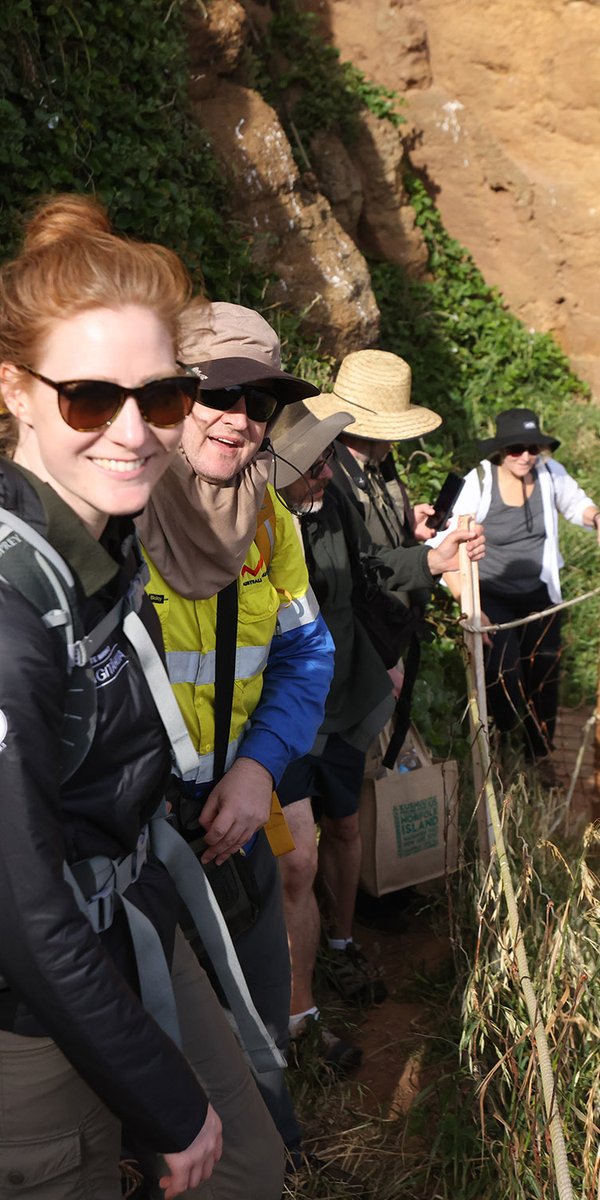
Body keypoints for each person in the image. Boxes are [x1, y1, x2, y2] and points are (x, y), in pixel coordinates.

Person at [0, 195, 283, 1200]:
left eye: (159, 397)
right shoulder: (12, 605)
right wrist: (165, 1105)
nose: (132, 431)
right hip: (30, 1016)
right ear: (16, 392)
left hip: (132, 913)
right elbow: (21, 915)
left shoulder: (104, 545)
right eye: (86, 396)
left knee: (247, 1166)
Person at [136, 301, 335, 1166]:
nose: (239, 419)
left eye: (260, 404)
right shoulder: (114, 513)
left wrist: (259, 770)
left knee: (254, 1015)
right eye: (216, 394)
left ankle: (267, 1158)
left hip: (236, 821)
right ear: (172, 397)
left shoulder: (271, 525)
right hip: (130, 841)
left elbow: (306, 654)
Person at [270, 401, 485, 1063]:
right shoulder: (256, 526)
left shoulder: (332, 506)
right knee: (295, 861)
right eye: (313, 465)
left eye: (328, 460)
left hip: (341, 696)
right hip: (278, 723)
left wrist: (431, 562)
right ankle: (298, 1012)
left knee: (345, 827)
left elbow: (367, 574)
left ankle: (339, 942)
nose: (325, 474)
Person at [437, 407, 600, 773]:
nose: (525, 456)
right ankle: (501, 746)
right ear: (500, 451)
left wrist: (596, 517)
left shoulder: (549, 474)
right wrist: (469, 603)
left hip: (539, 594)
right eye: (515, 449)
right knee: (504, 675)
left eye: (532, 448)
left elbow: (576, 503)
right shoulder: (479, 482)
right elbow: (443, 544)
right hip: (491, 595)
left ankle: (538, 757)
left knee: (544, 677)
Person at [307, 347, 443, 752]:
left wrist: (409, 528)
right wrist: (382, 660)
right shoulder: (328, 479)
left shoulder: (377, 464)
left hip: (383, 637)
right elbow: (349, 575)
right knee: (349, 777)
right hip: (362, 648)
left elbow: (374, 541)